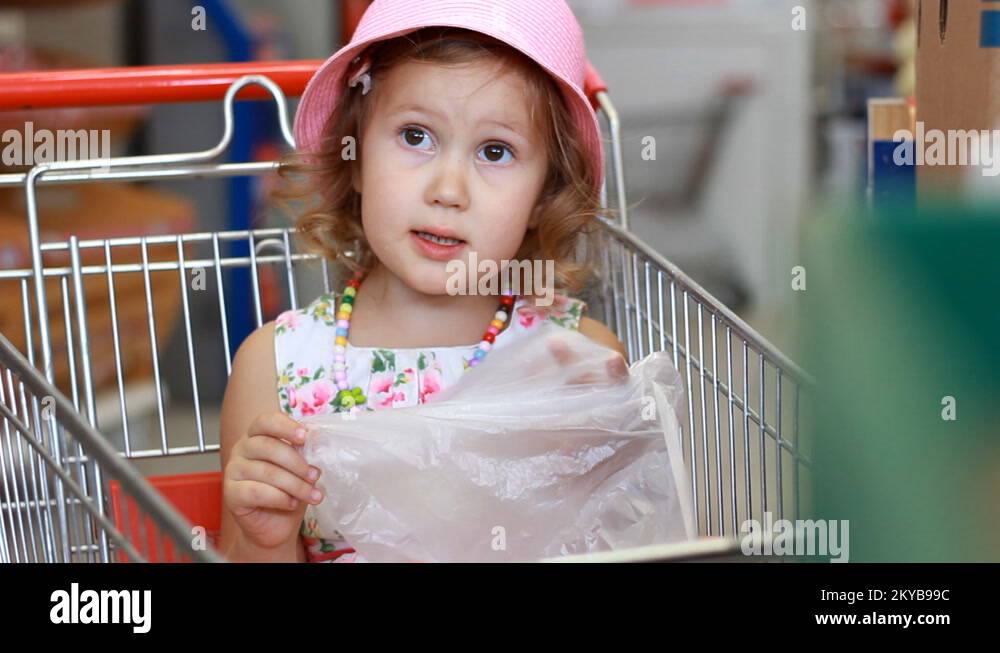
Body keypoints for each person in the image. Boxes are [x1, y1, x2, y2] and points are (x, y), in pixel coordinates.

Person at [219, 0, 629, 563]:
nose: (448, 188)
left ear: (543, 196)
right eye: (415, 136)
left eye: (495, 151)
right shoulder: (274, 370)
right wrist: (262, 538)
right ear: (355, 154)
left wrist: (593, 453)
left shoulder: (573, 365)